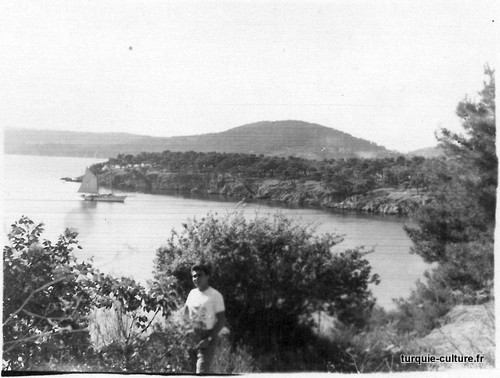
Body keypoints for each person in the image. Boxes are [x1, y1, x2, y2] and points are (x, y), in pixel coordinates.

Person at [184, 262, 226, 374]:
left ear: (207, 276)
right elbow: (186, 313)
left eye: (200, 275)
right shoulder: (192, 293)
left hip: (207, 337)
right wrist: (186, 331)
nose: (196, 278)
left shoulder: (215, 295)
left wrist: (208, 339)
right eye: (194, 276)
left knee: (202, 372)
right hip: (192, 337)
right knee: (190, 372)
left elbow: (221, 320)